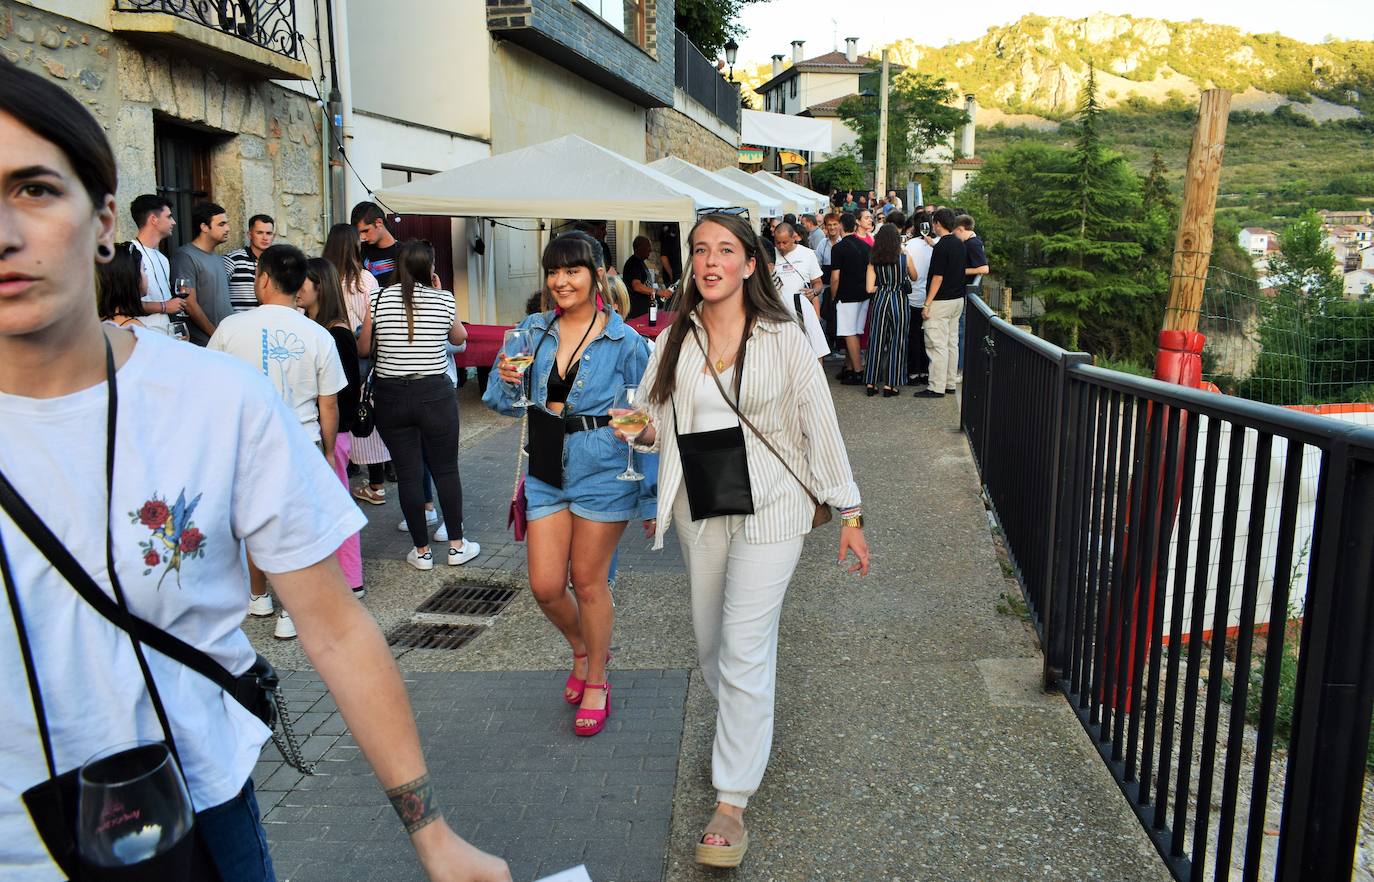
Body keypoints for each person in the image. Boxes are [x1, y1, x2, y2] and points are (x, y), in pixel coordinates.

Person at [0, 58, 511, 882]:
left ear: (102, 223)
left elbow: (337, 627)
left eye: (33, 189)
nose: (6, 232)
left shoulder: (214, 400)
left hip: (197, 818)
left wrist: (433, 835)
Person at [623, 212, 869, 868]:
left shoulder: (783, 336)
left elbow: (819, 424)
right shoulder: (675, 336)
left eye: (724, 250)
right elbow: (650, 419)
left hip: (773, 506)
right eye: (700, 250)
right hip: (699, 505)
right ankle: (748, 720)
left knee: (743, 646)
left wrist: (849, 511)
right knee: (715, 646)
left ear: (749, 264)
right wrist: (628, 428)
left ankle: (731, 801)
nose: (709, 262)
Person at [484, 232, 655, 737]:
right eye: (554, 272)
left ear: (598, 275)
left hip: (604, 467)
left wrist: (647, 493)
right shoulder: (531, 332)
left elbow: (646, 422)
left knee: (588, 581)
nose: (561, 281)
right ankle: (583, 646)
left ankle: (598, 676)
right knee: (543, 584)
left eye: (573, 270)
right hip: (545, 467)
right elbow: (499, 401)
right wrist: (505, 377)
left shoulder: (627, 343)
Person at [208, 244, 349, 640]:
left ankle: (258, 595)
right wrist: (327, 449)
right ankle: (290, 611)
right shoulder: (318, 335)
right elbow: (329, 404)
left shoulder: (230, 328)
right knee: (294, 531)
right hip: (299, 443)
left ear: (264, 279)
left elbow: (213, 391)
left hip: (245, 445)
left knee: (253, 524)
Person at [358, 240, 479, 570]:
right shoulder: (443, 299)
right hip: (434, 394)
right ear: (430, 268)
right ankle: (456, 546)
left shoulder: (378, 299)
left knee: (409, 473)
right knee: (446, 469)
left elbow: (364, 347)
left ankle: (421, 552)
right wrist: (439, 294)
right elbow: (458, 338)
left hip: (391, 396)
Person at [300, 257, 365, 601]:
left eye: (303, 283)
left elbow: (346, 391)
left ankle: (352, 578)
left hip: (333, 432)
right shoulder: (313, 327)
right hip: (327, 430)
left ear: (319, 287)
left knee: (339, 506)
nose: (297, 289)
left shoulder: (335, 332)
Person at [323, 222, 391, 505]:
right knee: (364, 414)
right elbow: (372, 321)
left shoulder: (323, 278)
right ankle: (376, 483)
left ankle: (339, 470)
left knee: (331, 411)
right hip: (360, 352)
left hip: (329, 350)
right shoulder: (366, 280)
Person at [916, 208, 967, 399]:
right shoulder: (959, 243)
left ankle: (936, 387)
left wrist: (927, 303)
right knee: (951, 342)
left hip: (941, 301)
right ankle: (949, 383)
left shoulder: (941, 248)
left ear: (937, 224)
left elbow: (937, 277)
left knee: (936, 344)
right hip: (957, 299)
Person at [171, 200, 233, 346]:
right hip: (204, 343)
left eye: (227, 223)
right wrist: (215, 335)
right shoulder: (185, 256)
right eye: (221, 224)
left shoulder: (218, 257)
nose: (228, 228)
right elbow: (190, 304)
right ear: (204, 227)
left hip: (223, 341)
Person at [769, 223, 829, 361]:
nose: (781, 246)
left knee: (814, 349)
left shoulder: (807, 254)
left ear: (794, 237)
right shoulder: (771, 255)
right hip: (779, 311)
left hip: (802, 309)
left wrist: (814, 291)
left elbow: (818, 283)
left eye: (785, 242)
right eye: (778, 243)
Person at [863, 224, 909, 396]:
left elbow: (869, 288)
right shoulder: (905, 258)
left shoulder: (873, 261)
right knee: (898, 341)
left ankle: (871, 382)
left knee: (876, 340)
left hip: (881, 299)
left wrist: (883, 287)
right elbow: (915, 276)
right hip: (899, 300)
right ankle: (891, 384)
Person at [127, 193, 183, 334]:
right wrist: (164, 306)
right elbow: (123, 304)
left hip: (166, 335)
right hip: (141, 334)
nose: (173, 222)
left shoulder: (163, 258)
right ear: (154, 219)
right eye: (169, 216)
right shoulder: (129, 253)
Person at [829, 213, 872, 384]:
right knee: (854, 332)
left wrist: (833, 296)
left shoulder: (838, 248)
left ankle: (857, 370)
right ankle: (849, 367)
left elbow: (835, 278)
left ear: (840, 226)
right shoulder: (865, 246)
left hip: (846, 296)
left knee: (849, 333)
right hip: (864, 294)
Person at [954, 213, 989, 382]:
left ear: (961, 229)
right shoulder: (974, 242)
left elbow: (984, 269)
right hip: (965, 291)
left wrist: (960, 270)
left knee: (961, 332)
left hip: (966, 292)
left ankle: (960, 369)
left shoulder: (973, 244)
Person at [903, 211, 934, 385]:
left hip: (912, 295)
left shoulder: (909, 245)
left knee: (913, 335)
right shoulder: (935, 245)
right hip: (929, 297)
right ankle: (925, 371)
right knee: (927, 336)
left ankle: (913, 372)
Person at [223, 213, 275, 313]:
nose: (265, 238)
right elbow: (217, 295)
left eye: (269, 233)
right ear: (249, 235)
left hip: (267, 324)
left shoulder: (277, 263)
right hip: (239, 324)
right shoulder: (233, 259)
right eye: (260, 232)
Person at [96, 241, 147, 328]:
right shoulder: (135, 330)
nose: (146, 276)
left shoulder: (97, 324)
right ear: (131, 277)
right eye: (144, 269)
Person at [352, 201, 401, 287]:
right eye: (359, 233)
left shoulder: (404, 252)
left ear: (379, 222)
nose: (362, 237)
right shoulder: (358, 252)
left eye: (366, 230)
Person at [815, 211, 843, 354]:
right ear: (825, 227)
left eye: (834, 224)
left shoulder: (843, 243)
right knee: (824, 317)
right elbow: (817, 265)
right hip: (825, 286)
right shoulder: (822, 244)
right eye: (829, 225)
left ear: (839, 226)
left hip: (841, 286)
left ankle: (839, 347)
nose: (832, 227)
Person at [621, 235, 661, 319]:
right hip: (636, 312)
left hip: (642, 311)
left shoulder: (640, 262)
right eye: (647, 246)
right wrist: (657, 292)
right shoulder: (634, 263)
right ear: (639, 247)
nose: (650, 249)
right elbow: (637, 286)